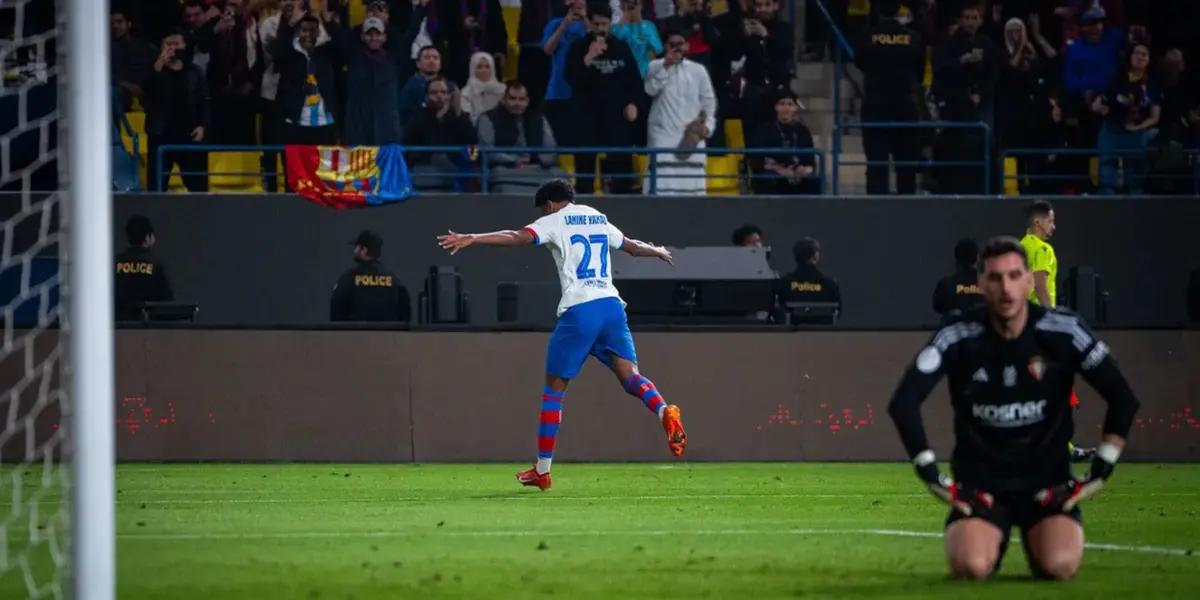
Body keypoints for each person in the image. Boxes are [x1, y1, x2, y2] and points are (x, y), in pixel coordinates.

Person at [886, 236, 1140, 580]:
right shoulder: (958, 333)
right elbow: (904, 403)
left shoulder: (1063, 329)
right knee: (970, 566)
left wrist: (1101, 471)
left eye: (1014, 275)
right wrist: (933, 477)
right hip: (981, 491)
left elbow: (1123, 399)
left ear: (1028, 280)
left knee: (1059, 565)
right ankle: (988, 537)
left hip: (1047, 488)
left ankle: (1041, 537)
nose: (1005, 287)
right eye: (994, 277)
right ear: (981, 284)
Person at [436, 179, 687, 491]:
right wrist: (658, 251)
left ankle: (542, 470)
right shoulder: (597, 216)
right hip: (611, 306)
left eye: (544, 208)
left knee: (554, 391)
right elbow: (632, 247)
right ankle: (665, 409)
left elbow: (517, 237)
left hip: (580, 310)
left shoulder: (553, 220)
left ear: (550, 204)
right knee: (631, 377)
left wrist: (474, 237)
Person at [565, 3, 643, 194]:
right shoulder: (578, 47)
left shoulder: (621, 47)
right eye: (597, 24)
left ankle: (623, 208)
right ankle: (583, 212)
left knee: (621, 168)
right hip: (586, 117)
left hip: (616, 117)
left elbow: (634, 80)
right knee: (584, 171)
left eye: (605, 24)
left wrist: (633, 103)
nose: (601, 29)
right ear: (589, 23)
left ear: (610, 23)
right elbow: (570, 77)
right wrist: (589, 58)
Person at [855, 0, 924, 194]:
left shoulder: (867, 37)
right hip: (905, 107)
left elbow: (860, 63)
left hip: (875, 107)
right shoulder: (914, 38)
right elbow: (919, 72)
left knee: (877, 165)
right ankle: (907, 212)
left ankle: (876, 213)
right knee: (906, 167)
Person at [644, 28, 718, 195]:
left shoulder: (698, 70)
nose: (677, 48)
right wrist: (666, 66)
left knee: (693, 193)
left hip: (691, 139)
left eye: (680, 44)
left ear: (687, 46)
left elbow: (709, 103)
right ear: (665, 46)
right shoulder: (654, 66)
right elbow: (650, 89)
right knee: (661, 191)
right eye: (672, 44)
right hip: (663, 137)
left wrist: (706, 128)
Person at [142, 29, 211, 192]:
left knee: (198, 187)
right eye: (168, 44)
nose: (172, 48)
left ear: (184, 46)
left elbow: (204, 102)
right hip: (161, 135)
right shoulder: (154, 69)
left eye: (176, 43)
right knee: (156, 186)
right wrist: (159, 64)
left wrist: (203, 126)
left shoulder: (195, 72)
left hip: (189, 136)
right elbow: (146, 90)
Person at [1093, 43, 1160, 195]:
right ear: (1130, 57)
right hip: (1111, 130)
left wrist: (1138, 128)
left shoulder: (1152, 84)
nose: (1140, 57)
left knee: (1136, 180)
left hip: (1136, 133)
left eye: (1144, 54)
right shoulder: (1116, 77)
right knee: (1107, 176)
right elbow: (1100, 100)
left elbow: (1154, 117)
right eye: (1137, 53)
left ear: (1149, 60)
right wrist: (1098, 106)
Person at [477, 80, 568, 192]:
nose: (517, 103)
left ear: (527, 101)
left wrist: (537, 161)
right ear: (503, 100)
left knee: (560, 176)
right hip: (506, 168)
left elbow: (551, 149)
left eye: (521, 99)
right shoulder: (488, 118)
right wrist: (515, 161)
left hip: (537, 168)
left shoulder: (539, 119)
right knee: (497, 174)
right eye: (512, 98)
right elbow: (487, 151)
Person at [273, 12, 341, 145]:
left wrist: (330, 24)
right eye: (304, 30)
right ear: (297, 32)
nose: (308, 35)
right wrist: (290, 25)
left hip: (324, 123)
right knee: (294, 166)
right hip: (296, 122)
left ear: (319, 32)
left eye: (313, 30)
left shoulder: (327, 52)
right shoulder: (289, 54)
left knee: (323, 166)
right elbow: (277, 52)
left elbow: (344, 46)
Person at [338, 16, 407, 146]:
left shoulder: (393, 58)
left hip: (387, 127)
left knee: (385, 165)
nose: (374, 38)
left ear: (384, 37)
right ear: (362, 37)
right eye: (369, 34)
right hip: (358, 126)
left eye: (377, 34)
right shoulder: (353, 57)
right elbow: (340, 37)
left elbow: (409, 35)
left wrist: (420, 10)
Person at [404, 76, 477, 190]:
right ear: (427, 96)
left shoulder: (460, 116)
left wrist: (458, 114)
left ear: (449, 95)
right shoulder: (418, 116)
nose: (439, 96)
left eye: (443, 92)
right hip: (425, 162)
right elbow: (425, 143)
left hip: (456, 165)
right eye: (434, 92)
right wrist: (438, 120)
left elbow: (473, 143)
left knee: (471, 165)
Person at [330, 230, 411, 322]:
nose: (354, 251)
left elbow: (336, 314)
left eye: (357, 247)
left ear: (364, 250)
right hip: (388, 335)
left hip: (355, 335)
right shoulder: (395, 281)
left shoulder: (347, 279)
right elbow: (404, 317)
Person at [748, 91, 818, 195]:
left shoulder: (803, 130)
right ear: (776, 107)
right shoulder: (764, 129)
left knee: (814, 181)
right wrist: (779, 169)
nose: (786, 108)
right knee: (769, 180)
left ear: (795, 108)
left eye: (790, 104)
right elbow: (756, 160)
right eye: (782, 104)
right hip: (773, 173)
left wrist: (805, 169)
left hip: (796, 173)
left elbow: (810, 159)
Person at [540, 0, 589, 149]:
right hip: (558, 92)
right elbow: (548, 50)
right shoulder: (555, 23)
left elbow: (598, 44)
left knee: (582, 143)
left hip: (584, 93)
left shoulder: (593, 24)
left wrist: (586, 20)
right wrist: (564, 25)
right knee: (561, 143)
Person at [115, 216, 174, 322]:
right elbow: (167, 301)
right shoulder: (156, 264)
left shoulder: (115, 262)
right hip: (148, 328)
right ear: (147, 237)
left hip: (118, 326)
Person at [775, 237, 841, 310]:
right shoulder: (830, 285)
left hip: (794, 321)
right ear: (816, 256)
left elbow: (778, 309)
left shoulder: (784, 283)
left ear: (795, 257)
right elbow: (838, 311)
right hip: (821, 321)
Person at [111, 7, 157, 111]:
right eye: (112, 23)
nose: (115, 26)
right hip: (118, 96)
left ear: (129, 24)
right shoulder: (102, 51)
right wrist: (126, 85)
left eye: (119, 22)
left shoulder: (147, 48)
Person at [932, 238, 984, 318]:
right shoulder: (989, 285)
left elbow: (938, 307)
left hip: (952, 327)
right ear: (977, 257)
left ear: (956, 257)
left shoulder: (945, 285)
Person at [1020, 200, 1057, 308]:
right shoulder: (1043, 249)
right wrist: (1051, 316)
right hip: (1040, 316)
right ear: (1037, 222)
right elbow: (1040, 286)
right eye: (1050, 221)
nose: (1053, 226)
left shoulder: (1020, 245)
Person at [460, 52, 507, 124]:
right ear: (472, 69)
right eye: (479, 67)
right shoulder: (465, 92)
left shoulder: (502, 90)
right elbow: (466, 115)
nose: (484, 70)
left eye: (487, 67)